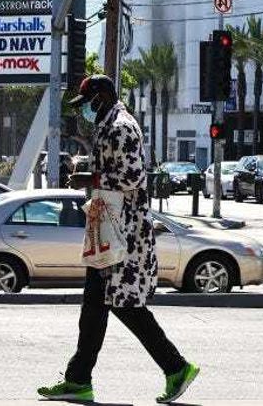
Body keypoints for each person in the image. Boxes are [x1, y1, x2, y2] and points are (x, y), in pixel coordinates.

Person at [37, 75, 200, 404]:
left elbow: (132, 177)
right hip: (107, 226)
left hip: (122, 231)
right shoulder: (108, 124)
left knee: (124, 305)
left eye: (87, 104)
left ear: (103, 95)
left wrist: (89, 176)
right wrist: (88, 169)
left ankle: (176, 367)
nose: (85, 111)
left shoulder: (121, 125)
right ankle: (78, 380)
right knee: (94, 307)